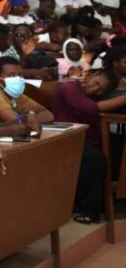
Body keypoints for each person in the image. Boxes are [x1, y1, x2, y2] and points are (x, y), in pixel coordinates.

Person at [52, 68, 125, 223]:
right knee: (95, 159)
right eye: (96, 83)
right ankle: (86, 210)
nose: (95, 89)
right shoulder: (69, 88)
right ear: (92, 75)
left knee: (116, 152)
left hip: (86, 138)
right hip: (65, 137)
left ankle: (108, 204)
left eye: (101, 89)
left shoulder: (97, 97)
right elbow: (91, 109)